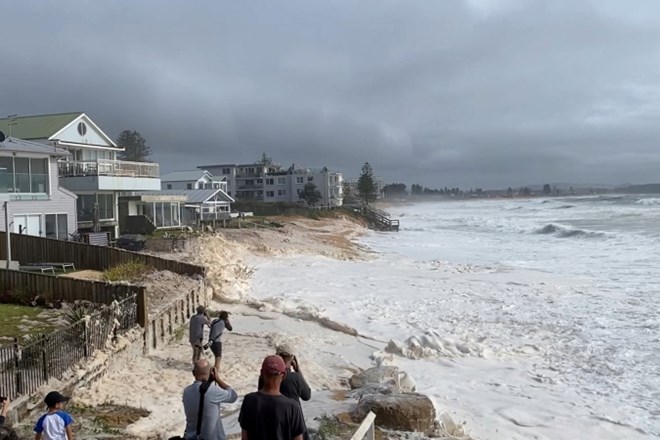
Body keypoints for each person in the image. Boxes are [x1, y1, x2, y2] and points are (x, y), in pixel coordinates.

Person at [239, 355, 306, 440]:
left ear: (261, 374)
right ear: (284, 375)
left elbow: (245, 437)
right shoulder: (292, 407)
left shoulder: (249, 400)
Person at [257, 351, 311, 440]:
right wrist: (298, 370)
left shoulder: (264, 377)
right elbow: (307, 395)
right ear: (290, 362)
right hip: (294, 429)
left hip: (271, 428)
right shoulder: (295, 377)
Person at [182, 359, 237, 440]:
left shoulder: (186, 391)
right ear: (211, 373)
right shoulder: (213, 391)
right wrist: (218, 379)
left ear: (193, 373)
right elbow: (233, 396)